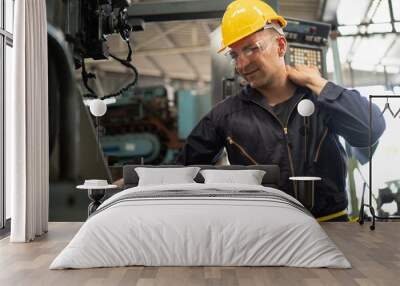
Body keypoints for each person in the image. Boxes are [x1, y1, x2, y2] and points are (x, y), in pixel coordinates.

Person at [175, 0, 386, 221]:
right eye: (235, 55)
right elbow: (182, 173)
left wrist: (319, 83)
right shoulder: (226, 115)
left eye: (251, 48)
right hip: (268, 233)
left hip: (331, 227)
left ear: (281, 46)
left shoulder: (321, 100)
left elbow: (372, 128)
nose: (242, 65)